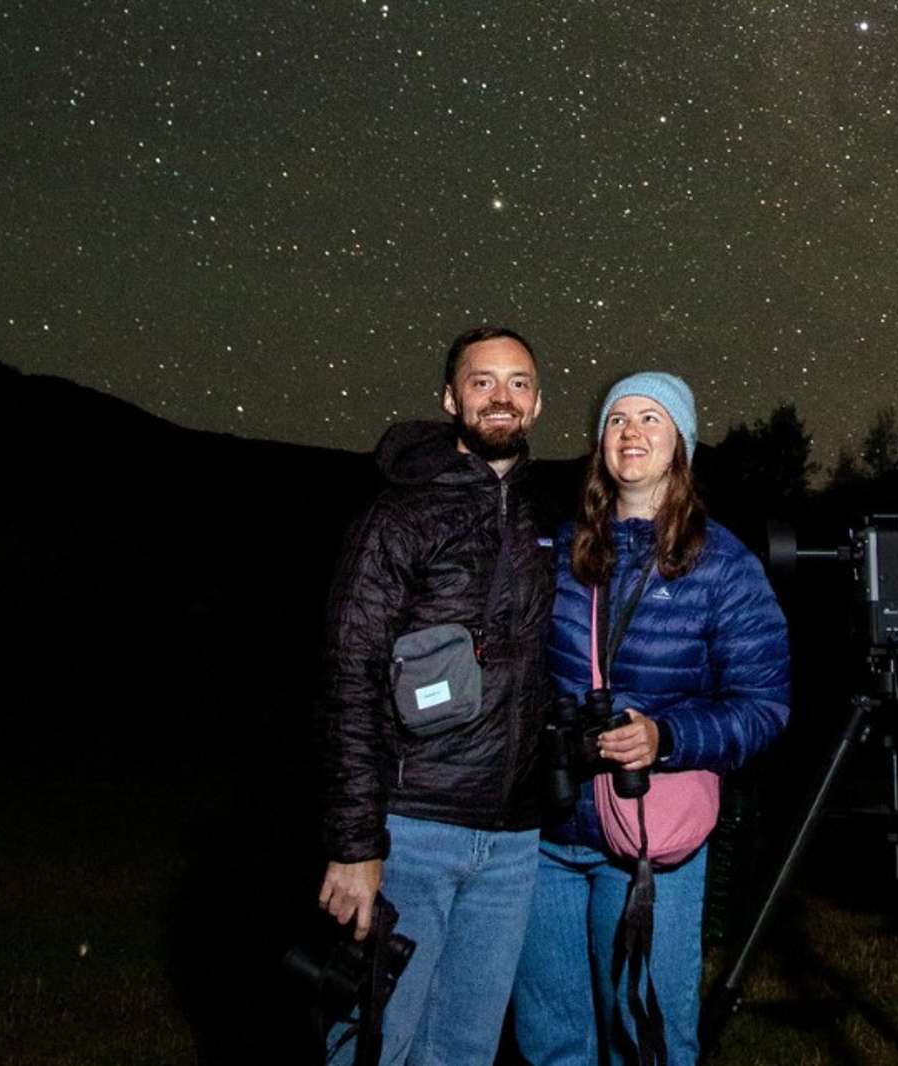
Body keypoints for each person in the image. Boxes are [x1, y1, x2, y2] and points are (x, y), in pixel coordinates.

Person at [512, 371, 791, 1066]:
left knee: (648, 1041)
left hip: (645, 841)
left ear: (682, 445)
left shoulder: (723, 564)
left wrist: (666, 737)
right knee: (551, 1042)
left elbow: (765, 706)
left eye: (650, 419)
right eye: (616, 420)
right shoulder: (561, 550)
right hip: (545, 833)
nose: (630, 432)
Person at [317, 325, 555, 1066]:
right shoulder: (400, 514)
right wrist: (356, 845)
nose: (500, 397)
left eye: (517, 382)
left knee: (463, 1052)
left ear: (538, 403)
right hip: (413, 829)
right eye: (481, 382)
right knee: (374, 1045)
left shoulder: (542, 517)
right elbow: (349, 673)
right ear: (450, 399)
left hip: (513, 842)